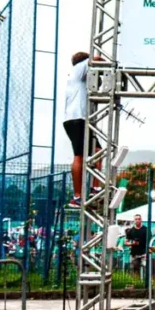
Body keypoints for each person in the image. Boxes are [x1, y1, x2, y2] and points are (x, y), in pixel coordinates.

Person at [63, 52, 89, 207]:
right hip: (76, 119)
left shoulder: (76, 78)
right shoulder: (79, 69)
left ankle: (95, 187)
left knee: (98, 149)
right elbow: (96, 59)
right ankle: (77, 195)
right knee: (78, 155)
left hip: (77, 119)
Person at [125, 214, 148, 280]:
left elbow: (150, 241)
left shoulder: (146, 229)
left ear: (141, 220)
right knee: (135, 269)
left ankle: (146, 283)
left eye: (139, 219)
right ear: (134, 220)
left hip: (144, 253)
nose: (137, 220)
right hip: (134, 253)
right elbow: (126, 242)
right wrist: (132, 243)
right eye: (136, 219)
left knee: (146, 269)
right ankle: (136, 283)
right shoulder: (130, 230)